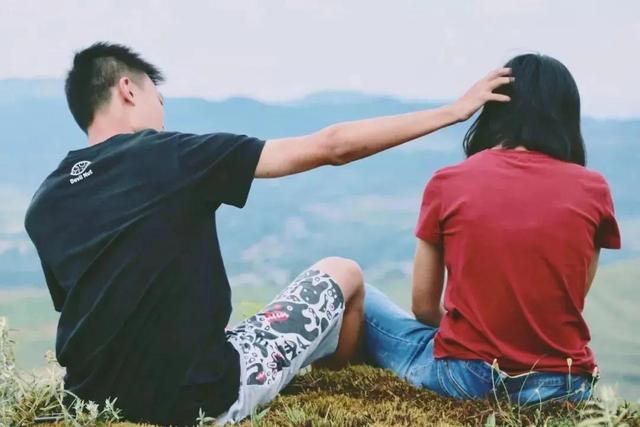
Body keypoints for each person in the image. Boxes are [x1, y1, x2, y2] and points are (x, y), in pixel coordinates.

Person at [23, 41, 512, 425]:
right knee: (342, 272)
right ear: (129, 90)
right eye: (158, 96)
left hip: (92, 400)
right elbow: (331, 146)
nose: (162, 111)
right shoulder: (170, 155)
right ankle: (334, 385)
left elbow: (88, 306)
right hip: (197, 399)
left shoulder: (44, 202)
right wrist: (452, 111)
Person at [362, 53, 621, 406]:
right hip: (563, 385)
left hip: (465, 378)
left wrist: (471, 341)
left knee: (358, 295)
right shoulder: (594, 189)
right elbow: (573, 296)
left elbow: (423, 307)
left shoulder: (448, 181)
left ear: (494, 108)